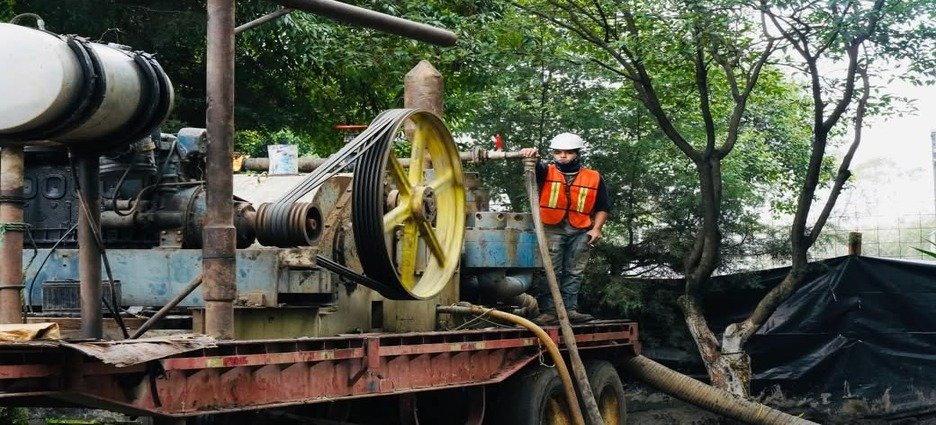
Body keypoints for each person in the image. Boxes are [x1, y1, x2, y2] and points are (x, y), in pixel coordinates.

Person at [520, 133, 610, 325]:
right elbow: (534, 167)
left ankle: (569, 310)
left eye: (568, 152)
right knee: (550, 270)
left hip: (580, 230)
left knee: (575, 271)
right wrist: (531, 155)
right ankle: (550, 312)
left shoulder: (593, 177)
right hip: (551, 228)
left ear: (577, 154)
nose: (562, 156)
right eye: (558, 152)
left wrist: (596, 229)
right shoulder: (546, 171)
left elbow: (603, 207)